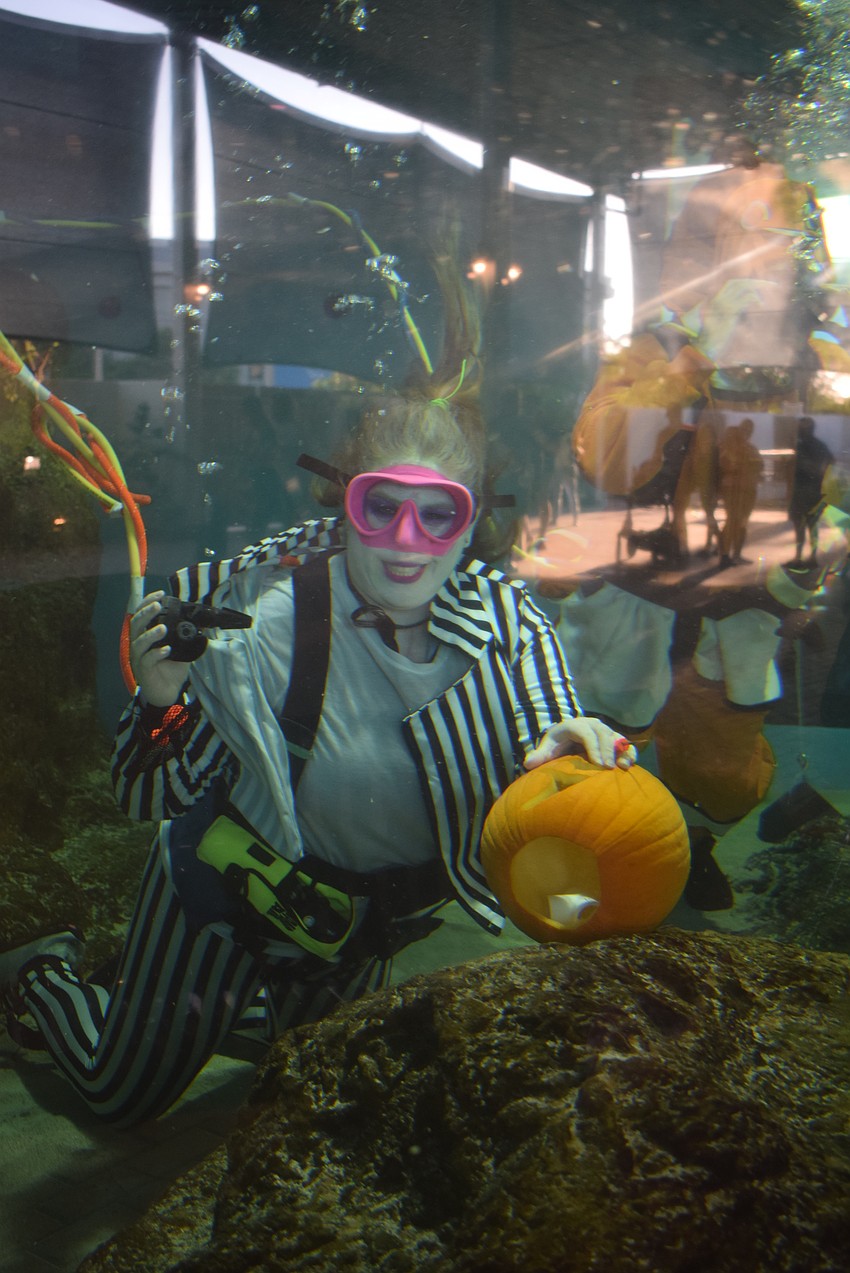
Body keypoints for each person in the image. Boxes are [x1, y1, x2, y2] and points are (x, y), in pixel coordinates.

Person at [0, 377, 634, 1127]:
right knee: (117, 1092)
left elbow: (550, 718)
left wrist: (568, 748)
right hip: (220, 896)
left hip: (349, 932)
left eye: (439, 514)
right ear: (346, 505)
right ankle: (40, 974)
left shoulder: (508, 624)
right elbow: (150, 800)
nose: (406, 540)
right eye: (381, 505)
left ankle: (192, 1008)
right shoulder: (275, 620)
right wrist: (160, 701)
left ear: (471, 525)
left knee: (321, 1096)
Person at [717, 418, 763, 568]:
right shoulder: (728, 448)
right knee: (732, 521)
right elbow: (725, 466)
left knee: (742, 522)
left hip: (748, 490)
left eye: (750, 431)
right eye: (745, 429)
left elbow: (760, 467)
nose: (747, 433)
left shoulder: (751, 449)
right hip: (732, 489)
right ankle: (724, 555)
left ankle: (736, 554)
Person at [788, 416, 833, 566]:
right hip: (812, 491)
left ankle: (800, 557)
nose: (799, 431)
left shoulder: (802, 447)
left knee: (802, 524)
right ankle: (809, 557)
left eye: (801, 428)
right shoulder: (820, 446)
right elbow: (831, 462)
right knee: (810, 525)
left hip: (805, 491)